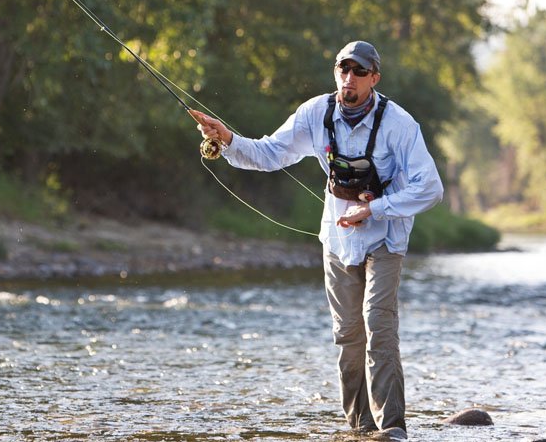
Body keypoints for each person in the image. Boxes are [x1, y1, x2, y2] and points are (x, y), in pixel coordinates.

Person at [190, 40, 443, 440]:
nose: (350, 78)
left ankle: (392, 429)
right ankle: (360, 428)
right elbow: (271, 154)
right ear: (336, 73)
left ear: (374, 78)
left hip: (385, 238)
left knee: (379, 328)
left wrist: (376, 209)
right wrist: (228, 139)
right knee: (347, 334)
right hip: (338, 240)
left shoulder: (399, 124)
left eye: (360, 72)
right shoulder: (315, 114)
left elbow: (430, 188)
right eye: (344, 69)